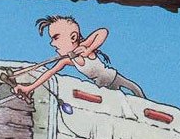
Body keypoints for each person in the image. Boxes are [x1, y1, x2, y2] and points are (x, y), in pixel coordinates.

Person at [12, 14, 145, 99]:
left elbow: (103, 32)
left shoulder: (84, 47)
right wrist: (28, 88)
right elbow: (50, 72)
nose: (52, 43)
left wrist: (88, 49)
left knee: (136, 91)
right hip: (102, 86)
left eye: (56, 38)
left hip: (114, 78)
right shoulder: (67, 60)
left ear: (73, 37)